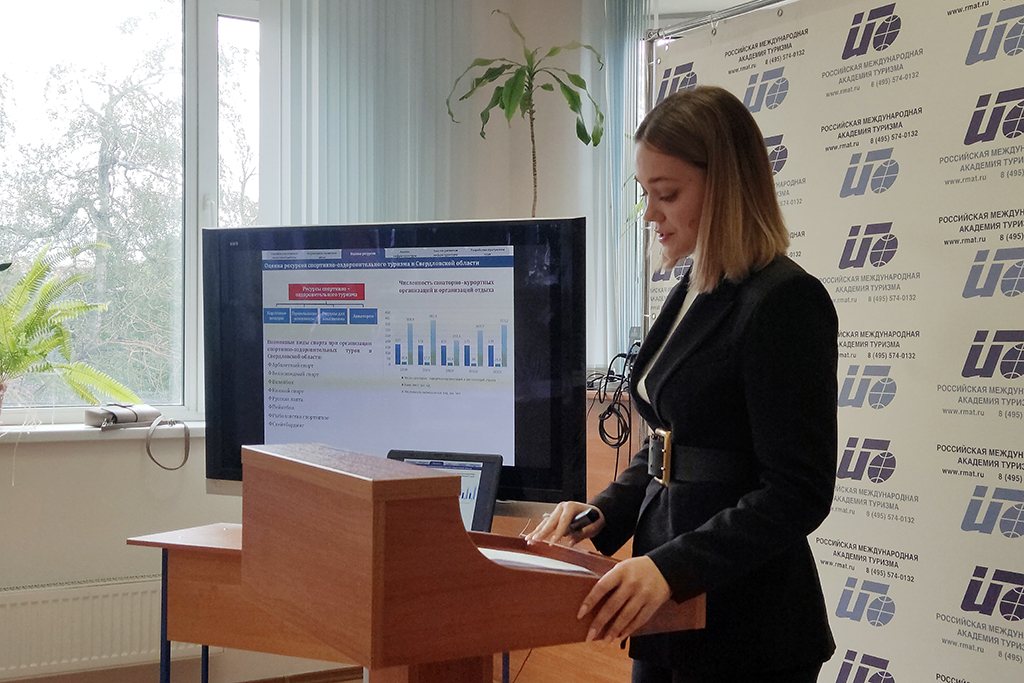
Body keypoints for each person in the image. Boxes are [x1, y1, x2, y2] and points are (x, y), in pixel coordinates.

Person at [525, 85, 838, 683]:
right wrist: (599, 515)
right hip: (668, 615)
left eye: (666, 194)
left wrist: (673, 568)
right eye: (646, 194)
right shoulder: (692, 289)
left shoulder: (786, 301)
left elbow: (798, 491)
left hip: (748, 626)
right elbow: (669, 445)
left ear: (726, 187)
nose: (650, 214)